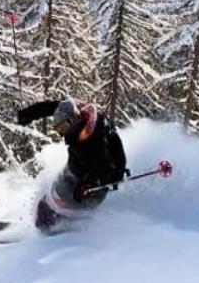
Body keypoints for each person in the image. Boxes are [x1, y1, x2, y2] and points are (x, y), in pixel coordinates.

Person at [17, 99, 127, 232]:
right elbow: (53, 107)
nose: (62, 133)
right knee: (48, 198)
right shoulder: (81, 114)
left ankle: (58, 232)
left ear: (72, 120)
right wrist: (28, 114)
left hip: (93, 186)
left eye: (62, 128)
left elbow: (104, 165)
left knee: (52, 207)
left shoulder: (87, 139)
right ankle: (55, 221)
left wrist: (87, 185)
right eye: (59, 129)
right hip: (82, 175)